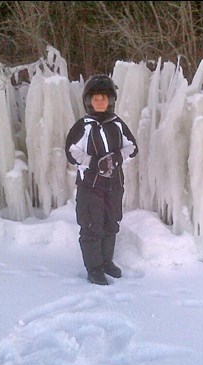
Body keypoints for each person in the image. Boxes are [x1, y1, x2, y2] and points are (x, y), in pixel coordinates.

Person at [65, 74, 138, 285]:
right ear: (88, 101)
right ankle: (94, 268)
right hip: (90, 186)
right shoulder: (83, 126)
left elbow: (132, 147)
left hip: (114, 185)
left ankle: (106, 262)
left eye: (104, 98)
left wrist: (115, 158)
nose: (100, 102)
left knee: (111, 222)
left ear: (111, 101)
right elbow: (72, 152)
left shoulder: (117, 124)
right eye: (96, 98)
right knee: (91, 225)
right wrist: (94, 162)